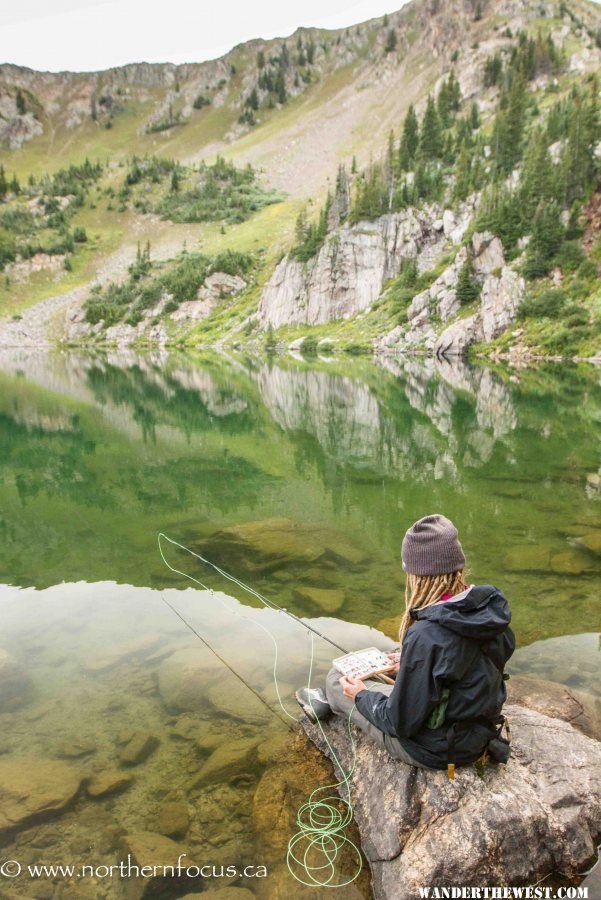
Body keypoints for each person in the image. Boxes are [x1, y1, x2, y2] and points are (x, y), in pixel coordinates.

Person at [296, 514, 515, 777]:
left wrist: (361, 696)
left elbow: (400, 723)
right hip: (476, 729)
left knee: (336, 679)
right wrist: (411, 664)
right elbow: (463, 665)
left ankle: (328, 701)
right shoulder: (489, 611)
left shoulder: (426, 636)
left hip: (437, 748)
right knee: (394, 656)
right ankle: (334, 699)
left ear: (417, 575)